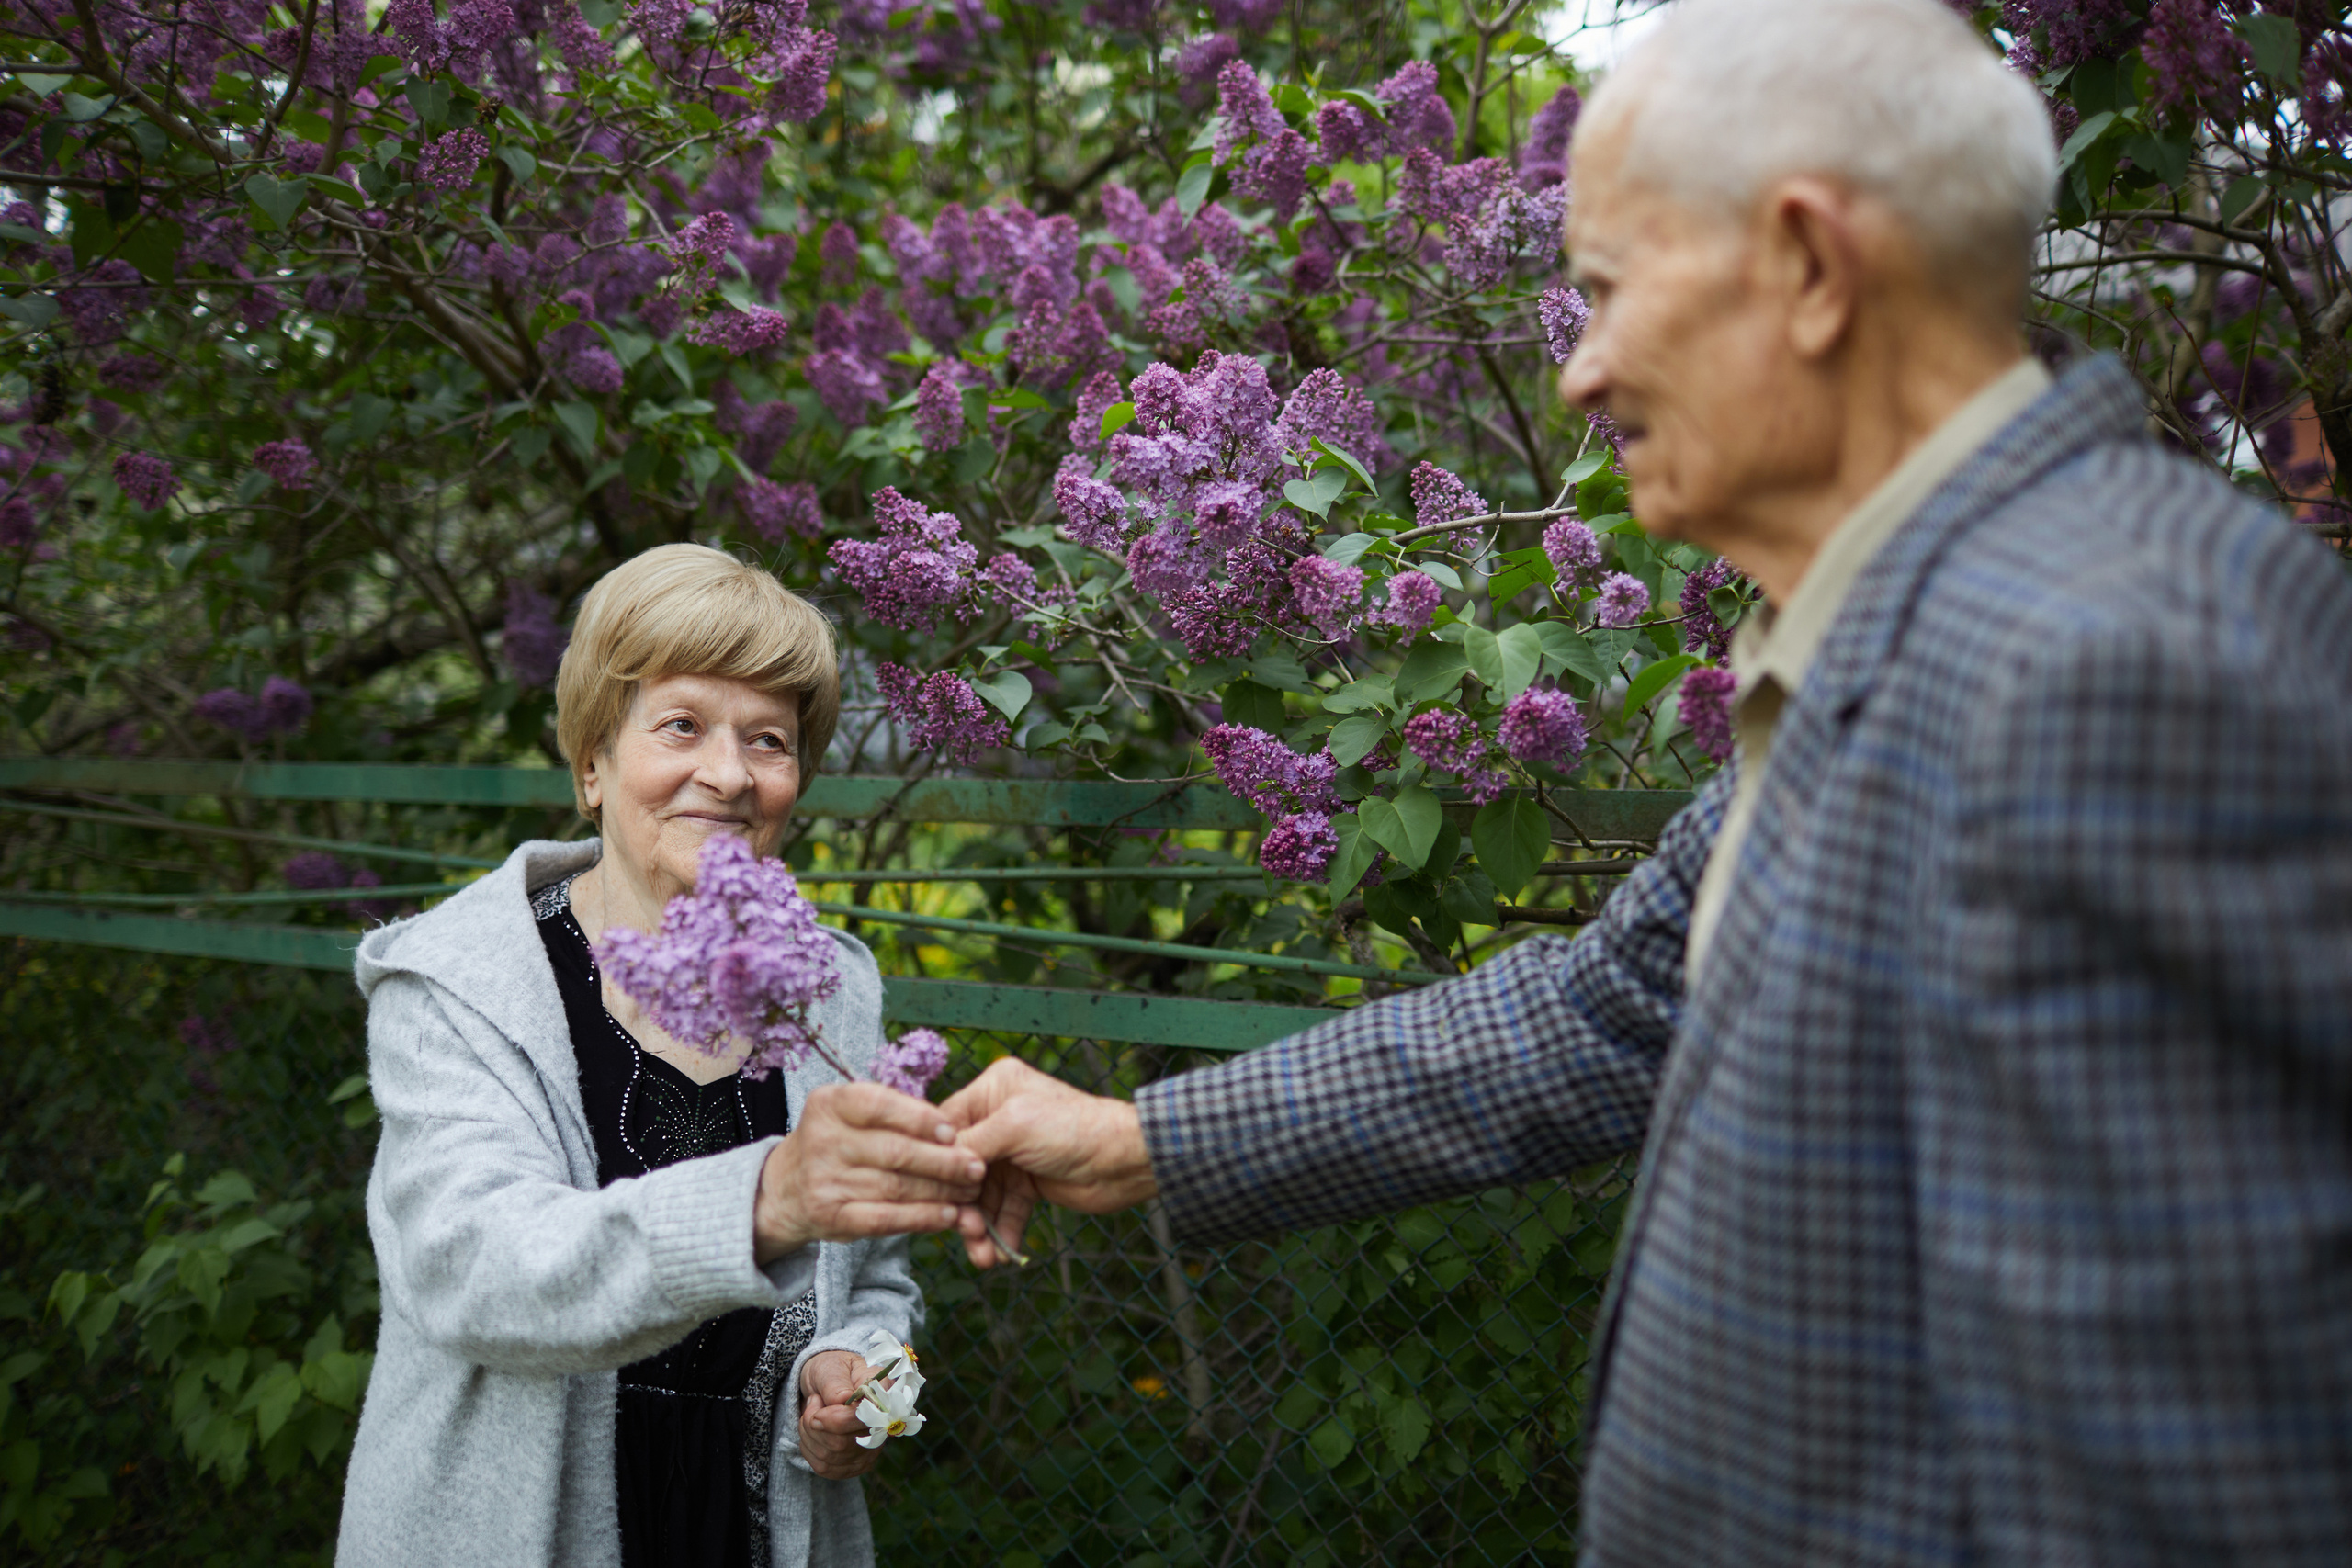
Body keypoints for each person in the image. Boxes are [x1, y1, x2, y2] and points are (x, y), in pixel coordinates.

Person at [944, 1, 2352, 1562]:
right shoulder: (1916, 629)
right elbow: (1610, 1004)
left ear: (1813, 269)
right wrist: (1138, 1141)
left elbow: (2187, 1490)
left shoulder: (2111, 668)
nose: (1578, 374)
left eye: (1608, 293)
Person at [338, 545, 983, 1568]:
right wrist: (763, 1202)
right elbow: (471, 1271)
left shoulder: (831, 989)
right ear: (593, 764)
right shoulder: (459, 983)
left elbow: (874, 1279)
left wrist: (860, 1377)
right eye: (681, 725)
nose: (728, 774)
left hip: (750, 1528)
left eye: (767, 740)